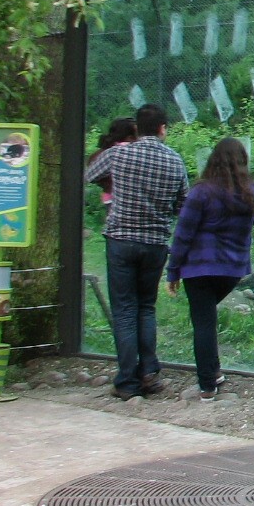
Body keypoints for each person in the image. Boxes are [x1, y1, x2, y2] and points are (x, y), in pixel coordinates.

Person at [83, 104, 187, 400]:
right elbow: (183, 204)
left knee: (125, 310)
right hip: (155, 243)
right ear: (163, 128)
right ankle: (149, 373)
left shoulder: (118, 154)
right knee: (146, 307)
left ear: (137, 129)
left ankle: (127, 381)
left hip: (121, 240)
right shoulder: (175, 160)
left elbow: (91, 175)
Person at [166, 137, 254, 401]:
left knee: (203, 323)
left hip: (199, 268)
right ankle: (214, 373)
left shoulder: (201, 192)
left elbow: (183, 233)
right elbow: (248, 227)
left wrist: (173, 270)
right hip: (232, 269)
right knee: (207, 319)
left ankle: (207, 385)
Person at [87, 116, 138, 208]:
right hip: (118, 199)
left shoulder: (105, 152)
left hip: (109, 197)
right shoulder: (121, 151)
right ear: (129, 138)